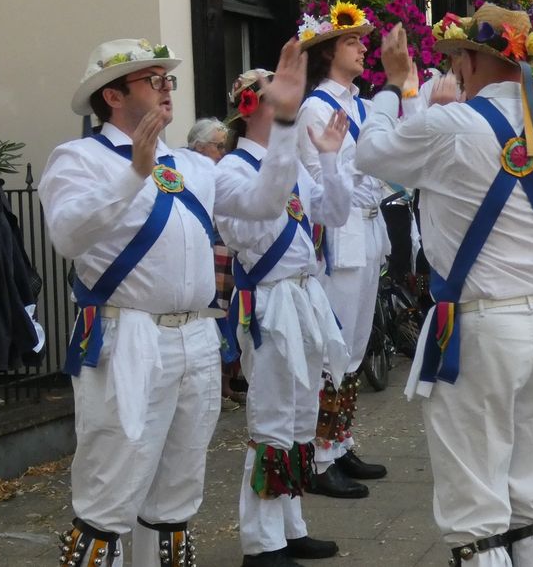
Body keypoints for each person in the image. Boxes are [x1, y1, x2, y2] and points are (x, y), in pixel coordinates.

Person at [356, 0, 533, 567]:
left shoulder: (449, 125)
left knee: (475, 509)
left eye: (459, 57)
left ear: (469, 61)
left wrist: (392, 86)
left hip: (479, 330)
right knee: (532, 501)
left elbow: (368, 153)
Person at [44, 37, 309, 567]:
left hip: (195, 335)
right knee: (109, 490)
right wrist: (133, 173)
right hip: (129, 338)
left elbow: (265, 201)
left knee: (176, 494)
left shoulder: (193, 165)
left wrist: (282, 121)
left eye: (169, 80)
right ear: (113, 95)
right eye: (154, 80)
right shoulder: (79, 159)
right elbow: (67, 235)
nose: (168, 90)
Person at [216, 68, 354, 567]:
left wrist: (331, 159)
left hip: (304, 298)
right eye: (282, 99)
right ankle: (261, 542)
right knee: (272, 420)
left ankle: (291, 528)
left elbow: (335, 214)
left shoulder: (293, 166)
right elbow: (263, 210)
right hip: (270, 302)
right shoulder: (231, 170)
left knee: (301, 419)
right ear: (253, 108)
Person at [295, 2, 390, 498]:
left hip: (369, 228)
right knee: (332, 347)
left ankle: (340, 439)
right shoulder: (315, 107)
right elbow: (316, 179)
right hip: (340, 233)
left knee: (354, 347)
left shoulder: (363, 103)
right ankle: (317, 455)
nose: (362, 47)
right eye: (353, 42)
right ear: (331, 50)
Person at [187, 118, 246, 410]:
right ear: (199, 147)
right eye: (218, 146)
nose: (223, 153)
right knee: (214, 315)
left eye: (225, 146)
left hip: (224, 249)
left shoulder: (218, 171)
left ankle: (226, 382)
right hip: (208, 251)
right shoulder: (187, 170)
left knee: (225, 315)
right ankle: (217, 387)